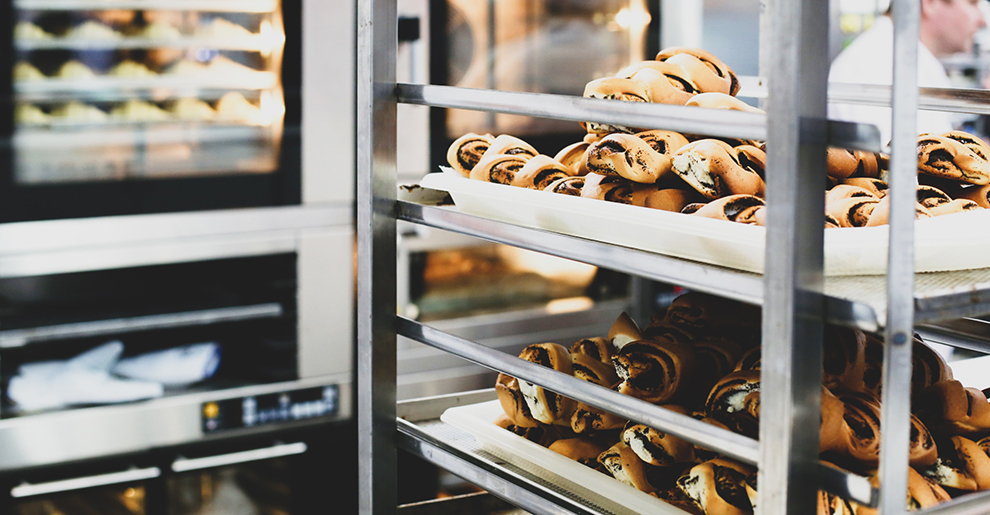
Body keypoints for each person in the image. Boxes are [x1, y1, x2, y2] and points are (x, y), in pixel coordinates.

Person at [828, 0, 987, 144]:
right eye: (972, 3)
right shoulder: (879, 63)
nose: (982, 20)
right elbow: (893, 169)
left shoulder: (909, 60)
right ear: (931, 3)